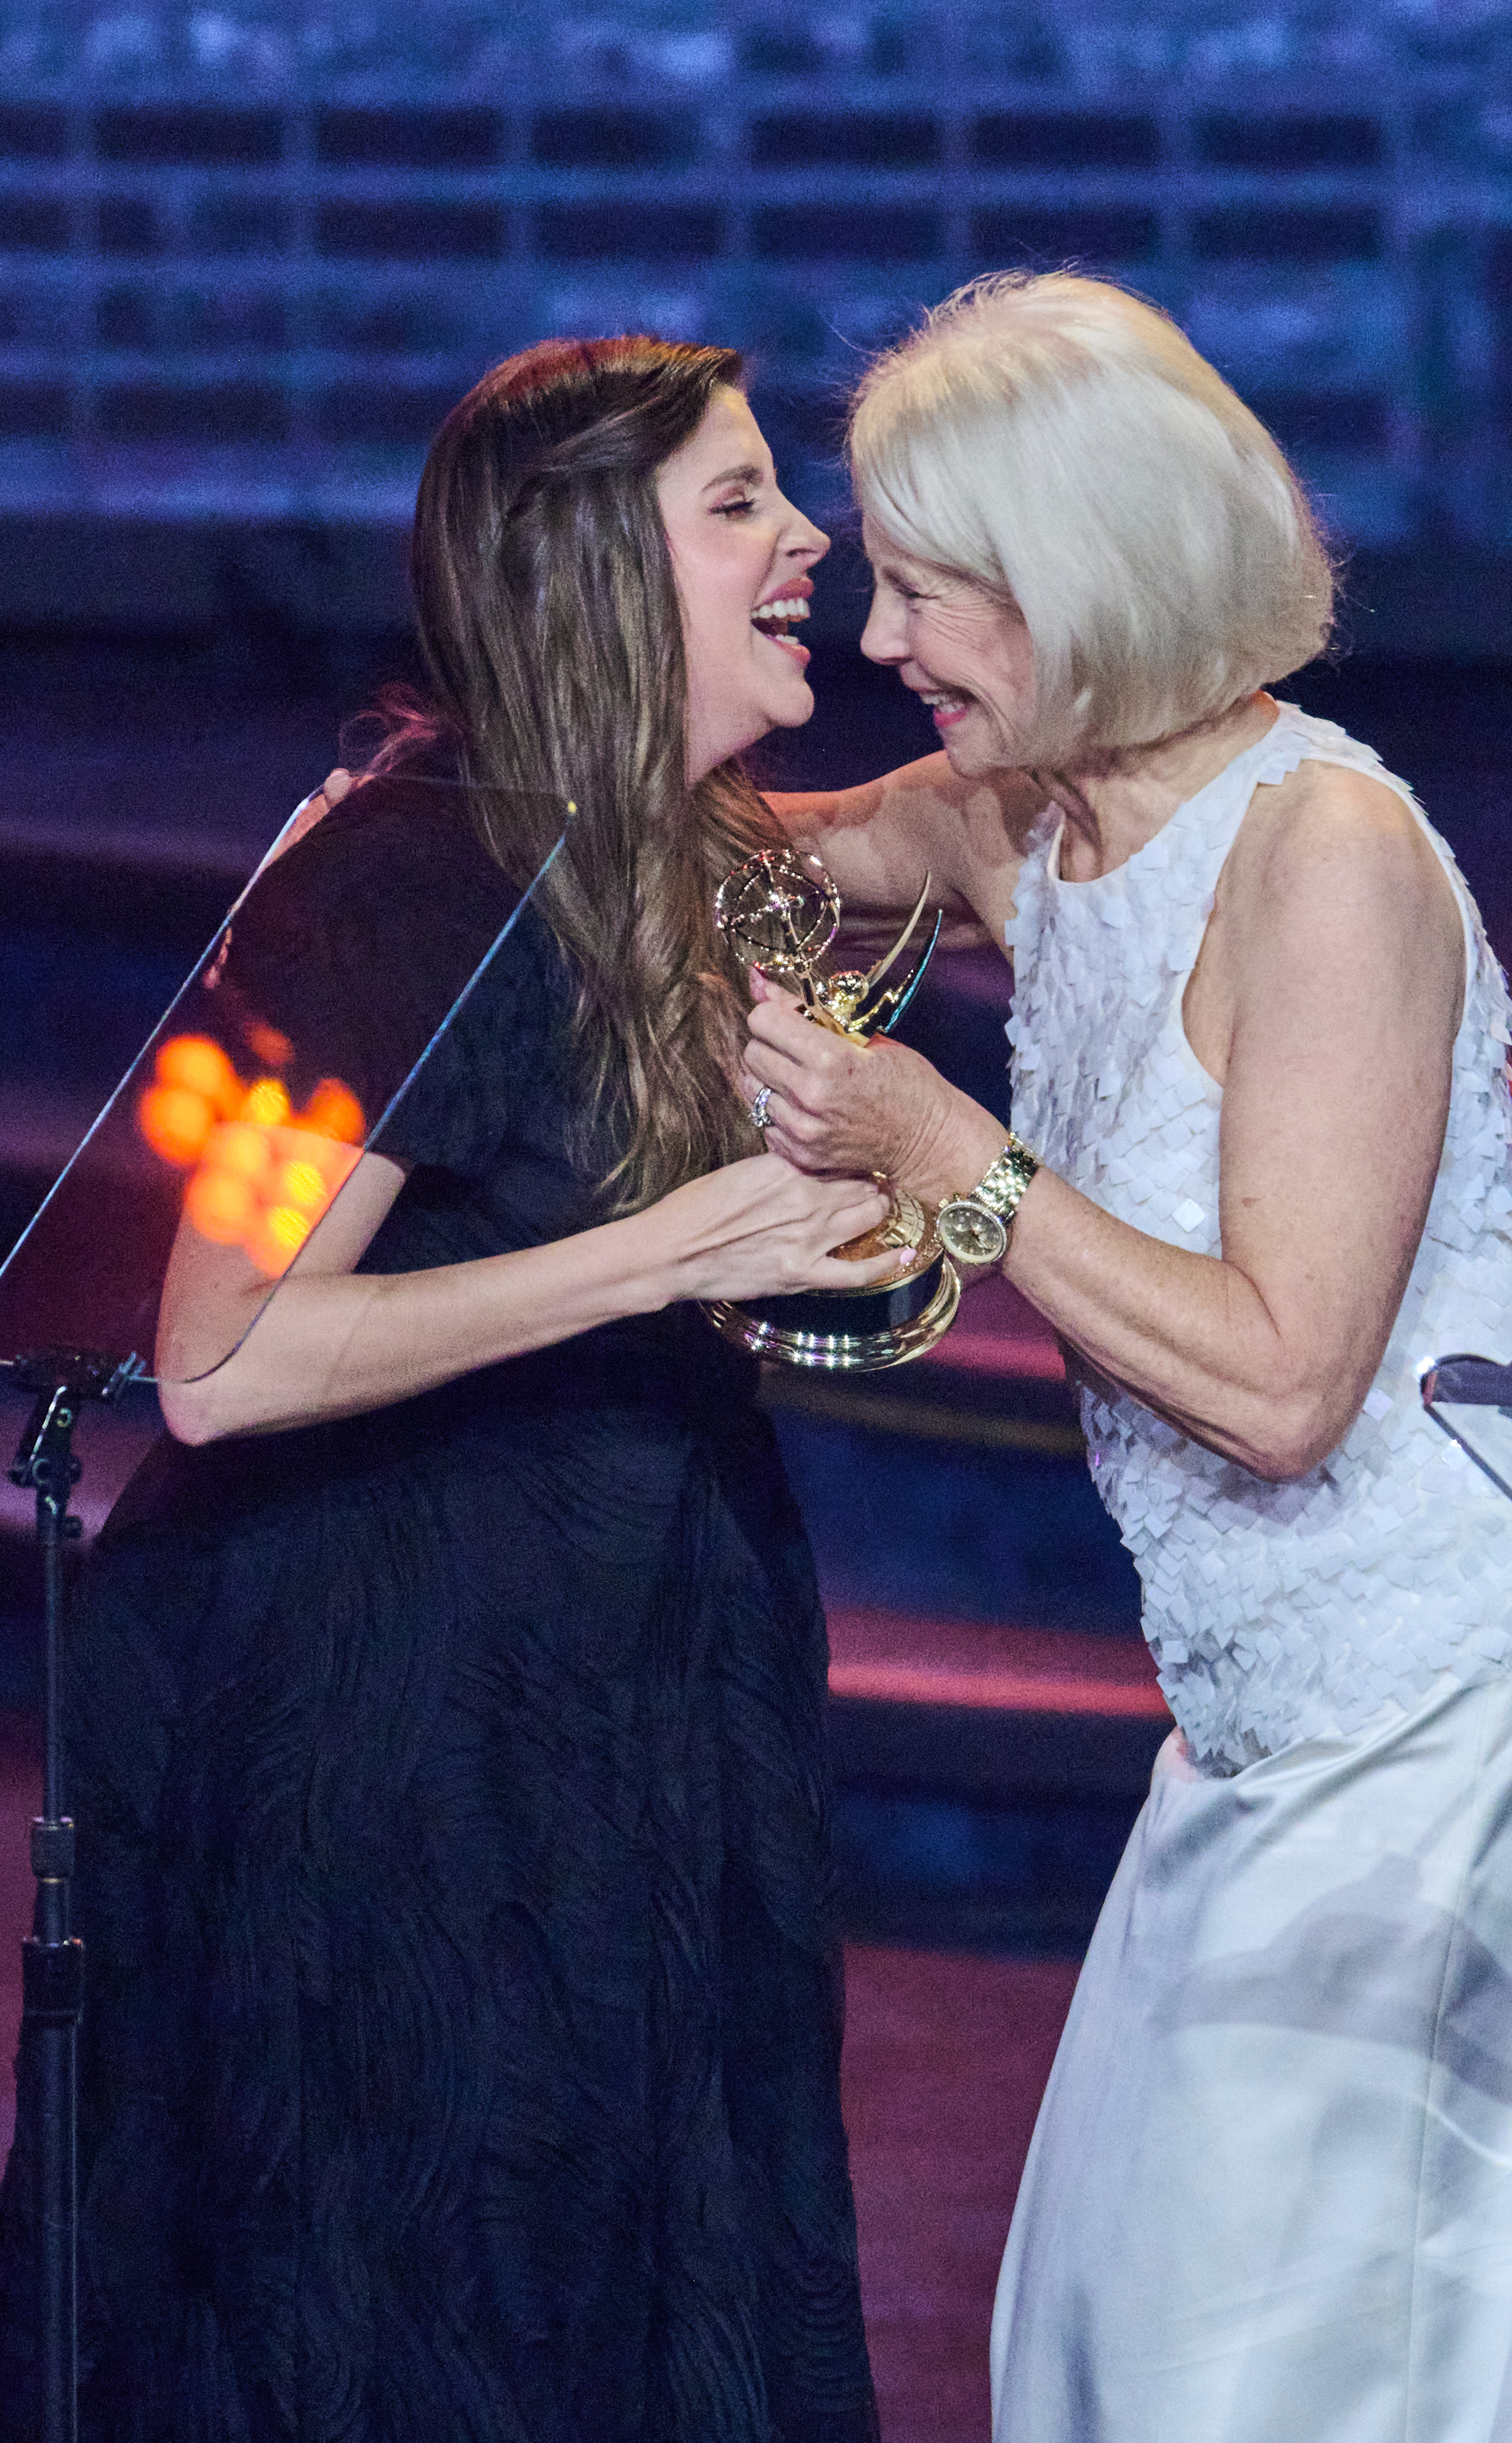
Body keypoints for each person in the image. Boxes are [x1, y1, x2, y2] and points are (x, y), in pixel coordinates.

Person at [743, 272, 1512, 2441]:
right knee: (1124, 2341)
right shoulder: (1022, 813)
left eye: (929, 590)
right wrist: (453, 791)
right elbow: (748, 853)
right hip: (1254, 1710)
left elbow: (1283, 1386)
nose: (880, 643)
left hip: (1464, 1701)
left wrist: (949, 1156)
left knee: (1273, 2371)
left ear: (1085, 574)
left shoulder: (1327, 855)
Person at [0, 337, 891, 2441]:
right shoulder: (393, 878)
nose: (809, 540)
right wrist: (677, 1251)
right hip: (379, 1733)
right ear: (591, 567)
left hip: (607, 1686)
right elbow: (218, 1355)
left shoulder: (659, 853)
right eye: (740, 504)